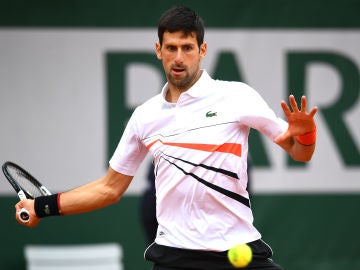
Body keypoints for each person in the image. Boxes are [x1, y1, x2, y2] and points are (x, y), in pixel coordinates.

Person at [15, 6, 318, 270]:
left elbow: (299, 152)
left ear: (202, 50)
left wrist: (306, 136)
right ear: (159, 50)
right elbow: (109, 188)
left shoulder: (236, 96)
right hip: (176, 257)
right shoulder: (145, 116)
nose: (179, 57)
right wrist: (43, 206)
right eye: (171, 47)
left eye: (187, 47)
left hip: (239, 251)